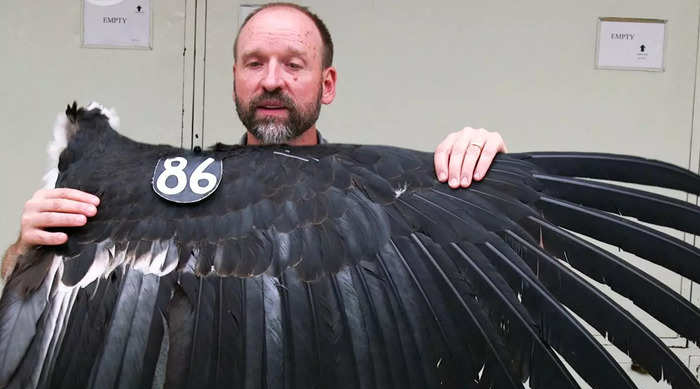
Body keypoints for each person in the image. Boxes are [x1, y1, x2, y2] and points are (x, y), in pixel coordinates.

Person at [1, 2, 507, 280]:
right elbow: (25, 306)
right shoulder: (165, 196)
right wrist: (26, 249)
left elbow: (495, 293)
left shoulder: (378, 199)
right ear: (236, 78)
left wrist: (489, 185)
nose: (270, 81)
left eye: (293, 64)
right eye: (254, 63)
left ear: (325, 84)